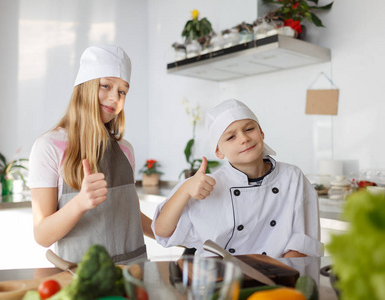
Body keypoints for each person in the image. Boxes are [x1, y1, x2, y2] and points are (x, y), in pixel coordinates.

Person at [29, 45, 154, 264]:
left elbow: (131, 215)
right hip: (82, 280)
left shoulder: (125, 150)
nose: (115, 97)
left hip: (133, 276)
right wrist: (80, 203)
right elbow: (42, 235)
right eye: (105, 85)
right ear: (84, 87)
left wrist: (176, 236)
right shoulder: (48, 147)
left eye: (122, 91)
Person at [153, 99, 323, 258]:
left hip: (276, 277)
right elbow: (162, 231)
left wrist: (281, 278)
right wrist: (184, 189)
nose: (244, 138)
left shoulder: (292, 178)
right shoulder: (208, 185)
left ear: (261, 133)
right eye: (231, 137)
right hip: (219, 278)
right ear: (219, 152)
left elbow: (302, 243)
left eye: (249, 129)